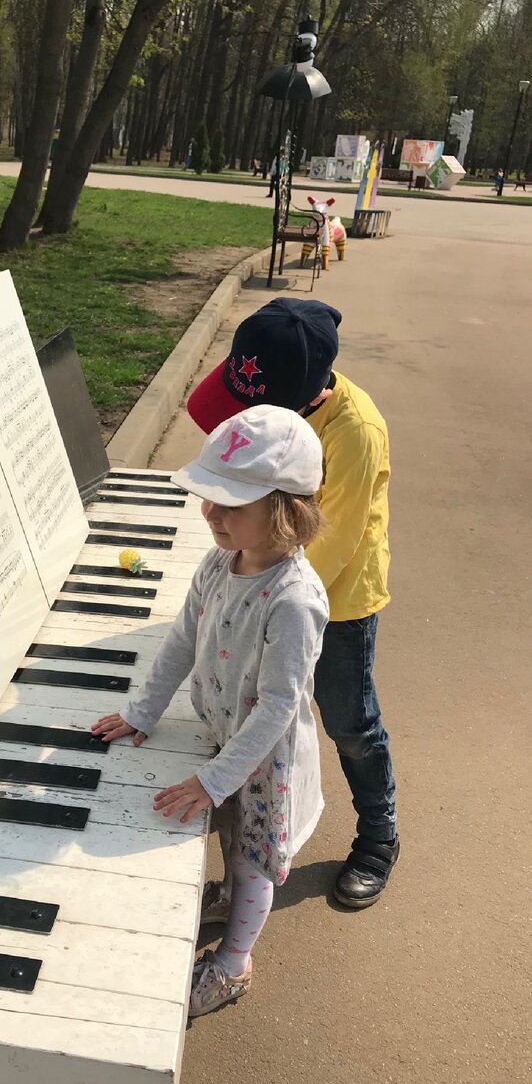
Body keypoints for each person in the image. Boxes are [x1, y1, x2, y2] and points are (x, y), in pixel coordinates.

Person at [92, 406, 328, 1018]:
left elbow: (279, 706)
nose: (211, 514)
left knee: (254, 859)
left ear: (286, 511)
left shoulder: (294, 601)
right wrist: (144, 710)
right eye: (209, 497)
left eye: (231, 504)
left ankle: (234, 963)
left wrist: (215, 779)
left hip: (262, 756)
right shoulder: (219, 562)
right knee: (223, 830)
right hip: (224, 737)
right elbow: (180, 641)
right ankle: (225, 895)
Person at [186, 298, 398, 908]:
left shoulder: (355, 433)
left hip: (331, 595)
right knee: (252, 706)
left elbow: (328, 543)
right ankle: (240, 854)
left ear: (303, 401)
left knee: (348, 721)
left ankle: (379, 835)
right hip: (266, 579)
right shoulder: (269, 381)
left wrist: (260, 598)